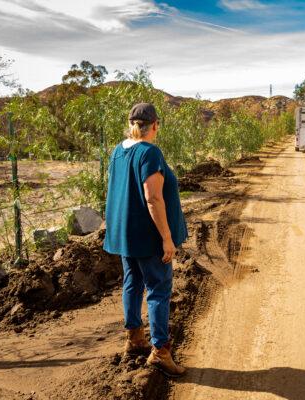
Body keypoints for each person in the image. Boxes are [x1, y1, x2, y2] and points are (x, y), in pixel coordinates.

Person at [104, 103, 188, 378]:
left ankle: (133, 338)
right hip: (148, 237)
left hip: (126, 234)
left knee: (132, 284)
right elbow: (152, 198)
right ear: (155, 125)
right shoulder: (149, 152)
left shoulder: (118, 151)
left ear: (130, 124)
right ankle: (161, 352)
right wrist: (167, 238)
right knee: (158, 290)